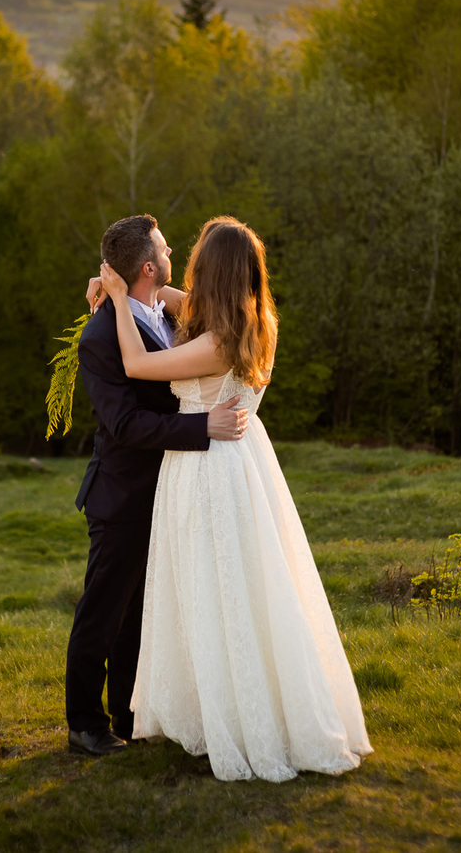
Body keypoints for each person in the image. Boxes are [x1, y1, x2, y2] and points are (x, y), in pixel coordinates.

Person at [94, 215, 372, 782]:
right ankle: (244, 704)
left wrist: (122, 301)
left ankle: (238, 719)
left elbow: (137, 365)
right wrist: (134, 284)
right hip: (245, 468)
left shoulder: (218, 344)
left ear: (212, 274)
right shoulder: (257, 322)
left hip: (207, 471)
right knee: (247, 590)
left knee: (214, 591)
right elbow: (183, 297)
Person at [65, 214, 248, 758]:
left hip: (168, 493)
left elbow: (191, 301)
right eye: (166, 249)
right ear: (149, 264)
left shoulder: (165, 312)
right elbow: (124, 425)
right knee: (104, 610)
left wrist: (120, 286)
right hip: (121, 496)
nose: (174, 253)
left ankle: (128, 712)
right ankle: (84, 724)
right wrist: (201, 427)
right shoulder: (100, 335)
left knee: (142, 611)